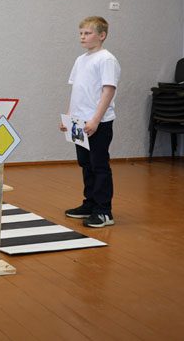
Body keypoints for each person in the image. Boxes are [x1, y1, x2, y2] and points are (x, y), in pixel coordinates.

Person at [60, 16, 121, 228]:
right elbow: (76, 90)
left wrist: (95, 120)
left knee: (99, 165)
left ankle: (104, 211)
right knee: (85, 164)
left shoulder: (106, 59)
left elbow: (108, 91)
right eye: (81, 33)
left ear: (102, 35)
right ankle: (90, 204)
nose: (82, 37)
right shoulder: (80, 60)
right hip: (79, 122)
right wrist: (69, 117)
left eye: (87, 33)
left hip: (98, 123)